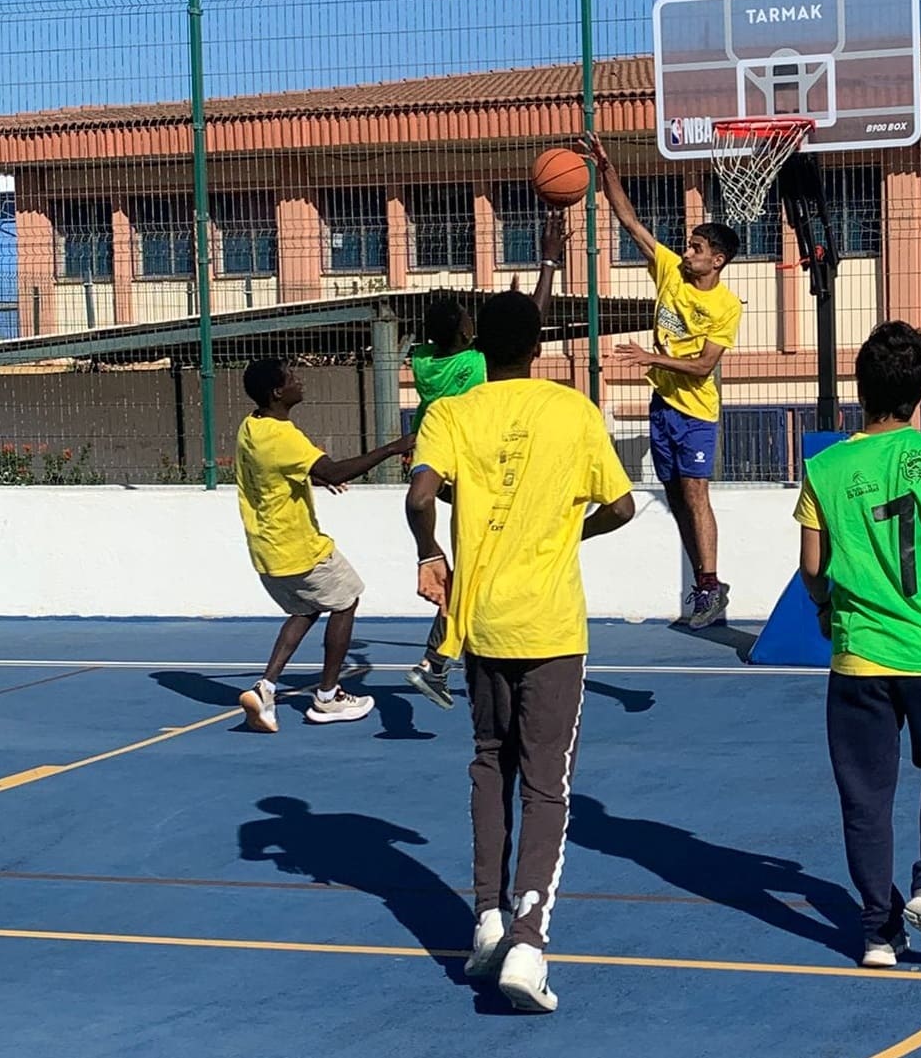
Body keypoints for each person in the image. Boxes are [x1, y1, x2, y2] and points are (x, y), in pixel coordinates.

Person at [405, 289, 636, 1013]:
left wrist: (429, 551)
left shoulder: (450, 411)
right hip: (550, 624)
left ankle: (487, 918)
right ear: (538, 345)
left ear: (481, 351)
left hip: (480, 621)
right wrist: (572, 532)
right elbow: (622, 504)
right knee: (546, 784)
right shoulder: (571, 410)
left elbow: (418, 496)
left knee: (487, 760)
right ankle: (529, 942)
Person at [793, 320, 921, 969]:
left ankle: (878, 931)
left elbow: (809, 566)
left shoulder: (824, 467)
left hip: (858, 655)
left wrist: (829, 611)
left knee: (865, 795)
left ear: (858, 386)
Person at [577, 131, 742, 629]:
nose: (687, 252)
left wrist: (652, 357)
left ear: (717, 260)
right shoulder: (670, 269)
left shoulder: (725, 305)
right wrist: (604, 167)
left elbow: (703, 367)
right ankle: (706, 585)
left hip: (695, 410)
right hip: (663, 406)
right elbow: (630, 221)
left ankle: (711, 585)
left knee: (695, 493)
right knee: (675, 495)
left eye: (696, 248)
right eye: (688, 246)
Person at [403, 213, 567, 709]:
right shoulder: (470, 363)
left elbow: (505, 330)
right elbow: (526, 330)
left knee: (476, 561)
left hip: (443, 466)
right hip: (475, 470)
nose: (474, 321)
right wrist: (548, 264)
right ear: (461, 334)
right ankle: (437, 661)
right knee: (481, 564)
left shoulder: (423, 359)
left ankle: (439, 661)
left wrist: (505, 311)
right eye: (469, 317)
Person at [234, 359, 415, 733]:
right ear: (277, 393)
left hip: (266, 548)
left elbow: (275, 476)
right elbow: (334, 470)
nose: (300, 380)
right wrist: (394, 447)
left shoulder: (251, 427)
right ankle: (327, 697)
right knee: (346, 598)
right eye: (291, 377)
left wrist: (313, 477)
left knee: (307, 607)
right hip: (298, 545)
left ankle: (266, 688)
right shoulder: (284, 437)